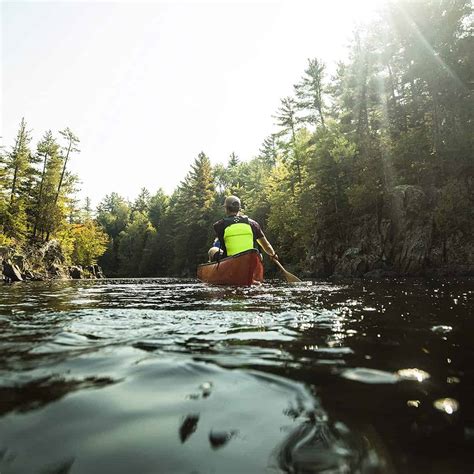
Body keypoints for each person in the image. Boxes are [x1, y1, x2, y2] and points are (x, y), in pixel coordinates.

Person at [209, 195, 278, 262]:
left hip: (230, 261)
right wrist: (273, 254)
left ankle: (217, 272)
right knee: (259, 255)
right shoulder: (253, 224)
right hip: (251, 261)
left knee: (212, 250)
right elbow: (267, 246)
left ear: (226, 209)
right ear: (239, 208)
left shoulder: (218, 225)